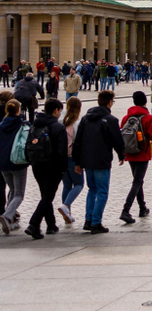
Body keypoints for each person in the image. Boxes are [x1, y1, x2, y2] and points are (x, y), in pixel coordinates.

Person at [72, 90, 126, 234]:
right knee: (102, 191)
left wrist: (77, 161)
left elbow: (78, 141)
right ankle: (96, 222)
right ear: (109, 102)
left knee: (92, 190)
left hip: (87, 160)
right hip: (102, 160)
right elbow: (117, 140)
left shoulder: (85, 118)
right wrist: (121, 154)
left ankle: (88, 220)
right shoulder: (111, 120)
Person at [24, 98, 68, 239]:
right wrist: (63, 168)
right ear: (56, 110)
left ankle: (51, 225)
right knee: (48, 196)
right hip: (52, 166)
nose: (60, 114)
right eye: (60, 111)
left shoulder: (35, 125)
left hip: (37, 165)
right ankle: (33, 224)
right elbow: (62, 151)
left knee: (45, 195)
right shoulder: (58, 127)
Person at [118, 91, 152, 224]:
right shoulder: (149, 118)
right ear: (145, 101)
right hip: (142, 153)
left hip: (130, 153)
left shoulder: (126, 118)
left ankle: (142, 208)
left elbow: (121, 134)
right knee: (137, 182)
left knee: (138, 180)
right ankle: (126, 210)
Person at [0, 99, 29, 235]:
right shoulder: (22, 125)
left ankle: (10, 219)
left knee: (12, 189)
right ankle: (7, 216)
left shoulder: (1, 125)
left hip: (2, 163)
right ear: (18, 110)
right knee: (19, 193)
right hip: (17, 162)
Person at [58, 96, 84, 225]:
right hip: (73, 158)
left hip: (61, 157)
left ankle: (67, 214)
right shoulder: (78, 122)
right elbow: (79, 143)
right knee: (79, 184)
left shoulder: (61, 121)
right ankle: (66, 206)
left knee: (67, 185)